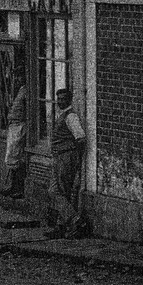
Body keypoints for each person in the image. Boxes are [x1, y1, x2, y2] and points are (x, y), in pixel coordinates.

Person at [47, 88, 86, 238]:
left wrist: (75, 158)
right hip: (59, 157)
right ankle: (64, 224)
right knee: (57, 191)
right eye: (59, 99)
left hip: (66, 157)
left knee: (59, 191)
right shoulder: (62, 115)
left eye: (63, 99)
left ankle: (73, 222)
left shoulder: (71, 117)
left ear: (69, 100)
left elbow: (81, 138)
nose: (60, 101)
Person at [0, 81, 28, 198]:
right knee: (11, 156)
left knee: (17, 157)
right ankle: (11, 186)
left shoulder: (25, 89)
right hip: (12, 126)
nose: (16, 78)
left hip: (19, 126)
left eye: (19, 76)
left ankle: (18, 188)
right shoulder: (13, 88)